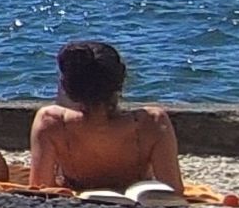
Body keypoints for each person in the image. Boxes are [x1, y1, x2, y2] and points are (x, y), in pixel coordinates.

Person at [27, 40, 183, 193]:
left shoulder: (51, 121)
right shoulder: (153, 121)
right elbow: (172, 189)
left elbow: (41, 187)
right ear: (120, 80)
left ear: (67, 87)